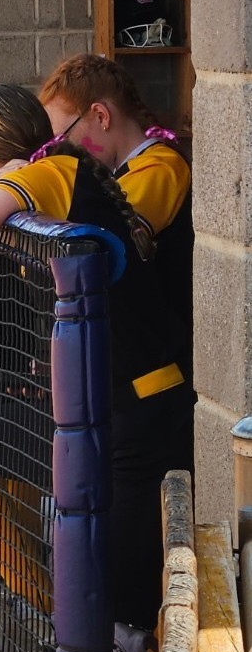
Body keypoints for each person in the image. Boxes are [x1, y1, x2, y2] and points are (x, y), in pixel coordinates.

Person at [0, 83, 193, 631]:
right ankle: (52, 611)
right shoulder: (53, 169)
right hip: (105, 406)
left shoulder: (39, 174)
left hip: (141, 415)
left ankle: (59, 615)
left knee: (130, 614)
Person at [38, 53, 194, 405]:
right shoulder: (119, 171)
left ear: (101, 116)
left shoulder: (161, 166)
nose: (56, 152)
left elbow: (110, 231)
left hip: (157, 383)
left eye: (61, 136)